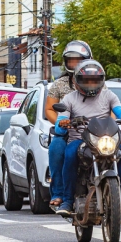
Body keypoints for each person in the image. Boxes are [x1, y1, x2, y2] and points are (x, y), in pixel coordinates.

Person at [54, 60, 121, 226]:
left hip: (104, 139)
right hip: (80, 140)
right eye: (86, 80)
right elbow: (61, 119)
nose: (91, 84)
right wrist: (64, 122)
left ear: (101, 80)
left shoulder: (109, 95)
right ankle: (66, 200)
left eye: (95, 80)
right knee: (70, 154)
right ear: (76, 80)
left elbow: (120, 111)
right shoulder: (69, 98)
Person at [45, 40, 93, 207]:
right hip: (68, 131)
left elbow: (109, 108)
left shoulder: (96, 81)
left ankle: (119, 196)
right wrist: (62, 122)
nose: (74, 64)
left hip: (93, 131)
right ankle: (59, 192)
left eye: (78, 60)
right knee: (56, 149)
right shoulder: (59, 84)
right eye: (71, 60)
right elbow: (50, 109)